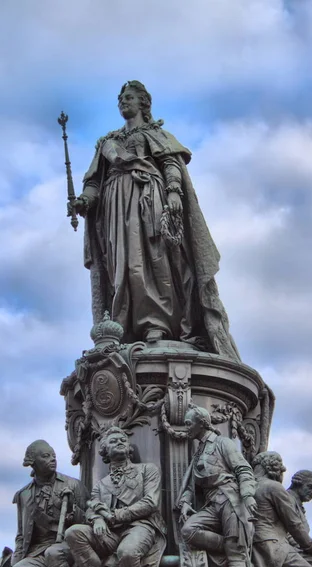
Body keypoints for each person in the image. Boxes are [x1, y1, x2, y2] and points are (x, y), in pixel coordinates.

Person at [74, 80, 240, 360]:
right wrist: (85, 201)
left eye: (129, 98)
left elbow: (171, 164)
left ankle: (157, 324)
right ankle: (123, 325)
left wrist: (173, 192)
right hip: (114, 207)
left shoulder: (156, 134)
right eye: (120, 98)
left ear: (143, 104)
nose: (123, 102)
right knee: (120, 265)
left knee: (153, 260)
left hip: (148, 198)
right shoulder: (107, 142)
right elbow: (94, 182)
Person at [65, 426, 166, 567]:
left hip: (141, 527)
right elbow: (91, 509)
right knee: (73, 533)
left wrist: (116, 515)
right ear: (105, 451)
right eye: (113, 441)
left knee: (127, 552)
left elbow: (151, 502)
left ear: (129, 448)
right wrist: (97, 519)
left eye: (123, 440)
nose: (119, 442)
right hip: (111, 533)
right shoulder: (101, 485)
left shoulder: (147, 470)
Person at [177, 403, 257, 567]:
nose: (186, 427)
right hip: (212, 505)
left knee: (236, 554)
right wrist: (186, 502)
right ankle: (232, 546)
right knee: (188, 531)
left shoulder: (223, 443)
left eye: (188, 423)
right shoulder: (198, 454)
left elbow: (244, 470)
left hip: (231, 499)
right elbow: (191, 486)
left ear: (201, 423)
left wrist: (247, 495)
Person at [0, 440, 88, 567]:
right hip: (36, 554)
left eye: (54, 456)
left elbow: (89, 521)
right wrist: (16, 562)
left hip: (68, 547)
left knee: (55, 565)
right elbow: (21, 535)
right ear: (32, 462)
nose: (53, 459)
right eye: (46, 456)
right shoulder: (23, 495)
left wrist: (73, 507)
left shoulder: (74, 485)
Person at [252, 452, 312, 567]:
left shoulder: (246, 487)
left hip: (257, 543)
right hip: (274, 546)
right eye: (280, 468)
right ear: (273, 468)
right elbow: (294, 525)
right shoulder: (273, 487)